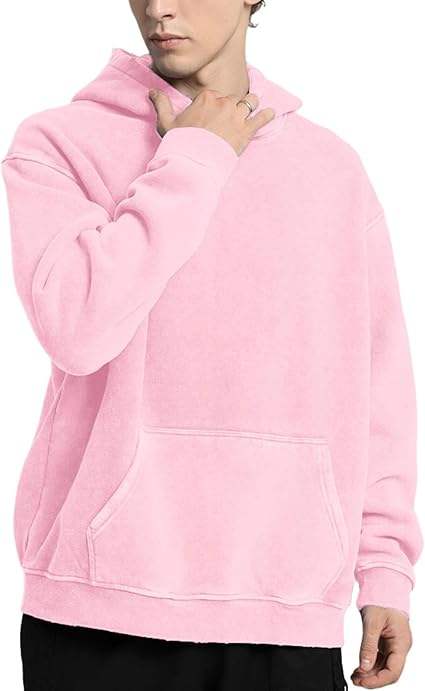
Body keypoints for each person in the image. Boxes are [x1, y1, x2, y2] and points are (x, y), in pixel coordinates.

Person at [2, 1, 422, 689]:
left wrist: (384, 569)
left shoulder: (331, 171)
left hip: (284, 610)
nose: (158, 7)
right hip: (99, 610)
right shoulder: (59, 143)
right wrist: (195, 157)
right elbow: (77, 328)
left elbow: (378, 392)